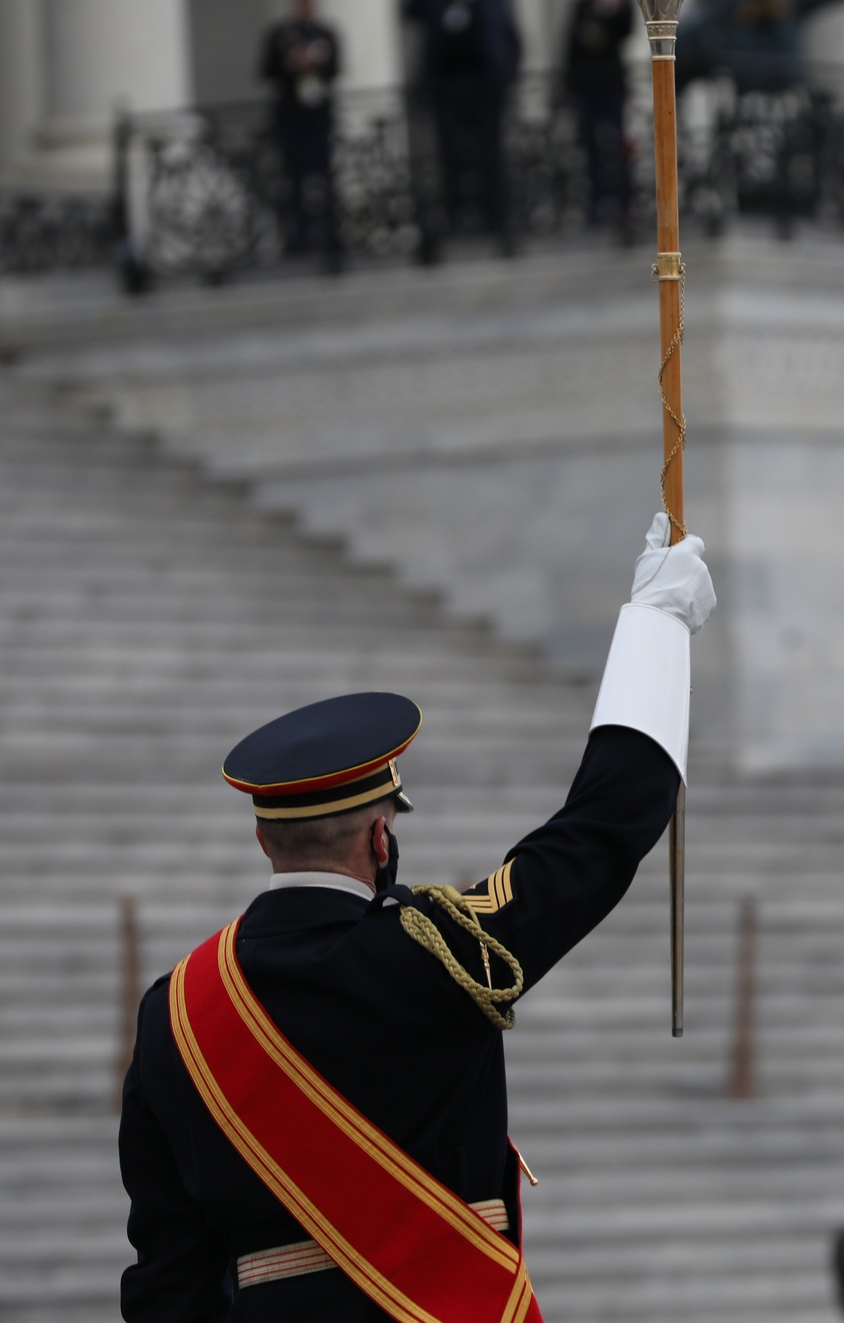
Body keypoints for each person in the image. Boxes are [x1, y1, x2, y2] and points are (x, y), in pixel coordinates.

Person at [119, 513, 715, 1321]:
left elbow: (167, 1276)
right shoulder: (435, 956)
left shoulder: (177, 1012)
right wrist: (657, 625)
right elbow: (599, 833)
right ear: (380, 834)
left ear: (263, 837)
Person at [403, 0, 522, 252]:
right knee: (450, 157)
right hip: (448, 91)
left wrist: (507, 76)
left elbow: (510, 38)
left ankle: (494, 218)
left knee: (489, 155)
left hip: (485, 89)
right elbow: (408, 11)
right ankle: (456, 217)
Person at [259, 0, 343, 268]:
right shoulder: (280, 35)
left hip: (319, 116)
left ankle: (331, 233)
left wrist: (317, 62)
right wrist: (291, 63)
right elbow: (266, 70)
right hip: (290, 117)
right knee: (292, 179)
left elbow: (336, 68)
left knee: (324, 177)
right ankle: (298, 236)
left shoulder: (325, 33)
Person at [564, 0, 635, 237]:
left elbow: (625, 32)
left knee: (616, 143)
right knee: (589, 144)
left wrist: (612, 7)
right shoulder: (582, 0)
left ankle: (622, 201)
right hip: (587, 84)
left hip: (610, 82)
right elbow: (572, 41)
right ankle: (594, 202)